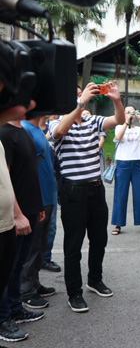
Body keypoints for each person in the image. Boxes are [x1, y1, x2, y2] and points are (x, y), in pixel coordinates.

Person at [49, 81, 125, 313]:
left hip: (96, 188)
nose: (82, 98)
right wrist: (79, 104)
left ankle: (95, 279)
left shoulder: (93, 121)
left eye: (81, 94)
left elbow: (118, 121)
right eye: (76, 96)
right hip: (73, 191)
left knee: (99, 239)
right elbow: (60, 132)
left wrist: (116, 100)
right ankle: (74, 293)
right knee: (73, 245)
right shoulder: (56, 123)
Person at [0, 119, 44, 342]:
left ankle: (15, 308)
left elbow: (28, 172)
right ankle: (3, 317)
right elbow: (6, 178)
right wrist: (18, 215)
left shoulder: (23, 131)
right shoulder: (5, 133)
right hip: (16, 215)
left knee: (18, 264)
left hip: (30, 209)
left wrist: (37, 207)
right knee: (8, 267)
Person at [19, 115, 58, 310]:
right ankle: (25, 291)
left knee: (41, 246)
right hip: (37, 200)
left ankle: (33, 284)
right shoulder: (24, 129)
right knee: (32, 248)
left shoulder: (38, 130)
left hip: (47, 198)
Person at [111, 106, 140, 235]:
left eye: (133, 112)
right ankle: (118, 224)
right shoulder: (119, 127)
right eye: (128, 112)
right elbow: (118, 138)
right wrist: (126, 122)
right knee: (120, 194)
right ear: (124, 114)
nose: (131, 114)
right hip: (123, 163)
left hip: (137, 163)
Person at [41, 115, 61, 273]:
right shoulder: (28, 130)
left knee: (51, 225)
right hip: (33, 181)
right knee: (35, 225)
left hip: (51, 180)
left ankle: (45, 258)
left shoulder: (56, 127)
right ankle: (31, 262)